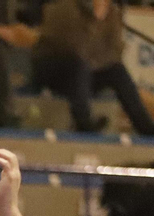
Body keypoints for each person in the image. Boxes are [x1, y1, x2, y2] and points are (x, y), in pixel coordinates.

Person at [30, 0, 154, 136]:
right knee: (78, 64)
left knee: (117, 71)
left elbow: (114, 52)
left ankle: (145, 127)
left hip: (86, 73)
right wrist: (95, 20)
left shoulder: (112, 12)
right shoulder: (66, 8)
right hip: (55, 71)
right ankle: (84, 123)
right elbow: (71, 48)